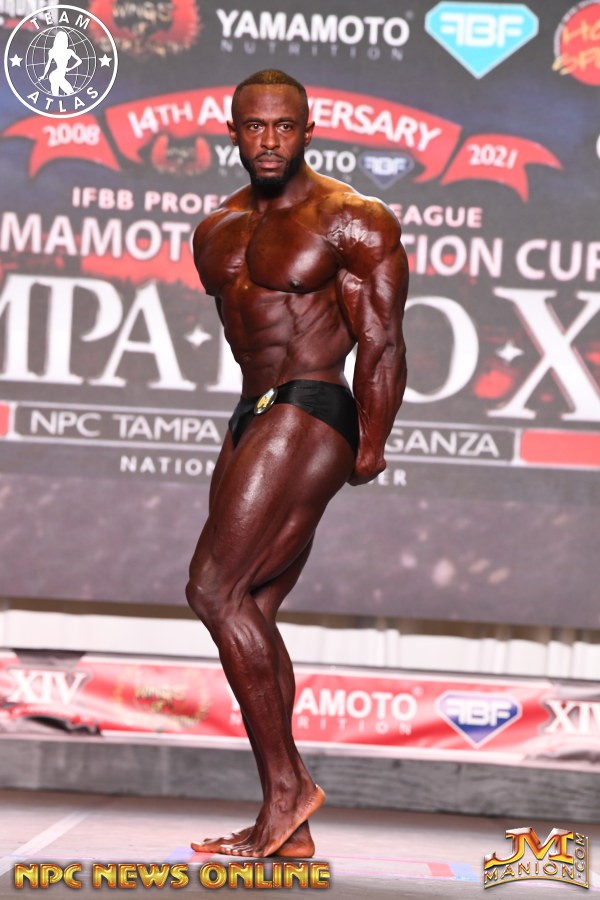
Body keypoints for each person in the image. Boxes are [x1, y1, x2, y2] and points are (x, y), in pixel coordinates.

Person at [187, 69, 408, 859]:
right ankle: (289, 825)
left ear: (308, 131)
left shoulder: (350, 218)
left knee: (213, 589)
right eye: (255, 126)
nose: (270, 140)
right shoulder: (215, 229)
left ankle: (288, 788)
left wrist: (372, 440)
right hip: (253, 412)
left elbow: (381, 337)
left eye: (284, 126)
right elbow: (247, 334)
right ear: (234, 132)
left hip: (313, 402)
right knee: (249, 606)